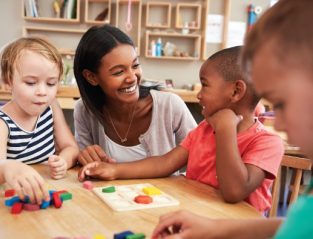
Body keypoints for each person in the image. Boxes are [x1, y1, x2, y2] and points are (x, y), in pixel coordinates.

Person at [151, 0, 313, 238]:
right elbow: (296, 228)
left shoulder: (262, 140)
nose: (277, 123)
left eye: (281, 102)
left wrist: (227, 128)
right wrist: (215, 228)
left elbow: (235, 190)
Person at [78, 45, 284, 214]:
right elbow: (164, 162)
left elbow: (234, 191)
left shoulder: (267, 143)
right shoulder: (203, 130)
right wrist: (115, 170)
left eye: (205, 85)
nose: (199, 95)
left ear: (236, 91)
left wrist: (226, 130)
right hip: (197, 220)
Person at [73, 25, 196, 165]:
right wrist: (82, 157)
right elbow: (84, 165)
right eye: (119, 72)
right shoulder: (84, 110)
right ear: (91, 77)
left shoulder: (169, 105)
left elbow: (199, 154)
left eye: (135, 65)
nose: (132, 78)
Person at [0, 37, 79, 204]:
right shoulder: (0, 122)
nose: (42, 91)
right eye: (31, 82)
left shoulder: (52, 107)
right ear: (8, 82)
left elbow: (71, 147)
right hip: (13, 195)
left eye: (50, 83)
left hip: (46, 190)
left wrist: (63, 161)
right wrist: (8, 167)